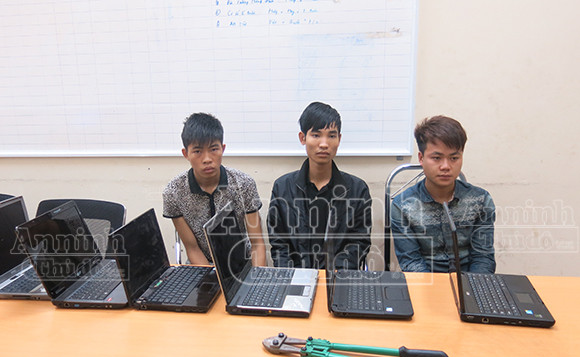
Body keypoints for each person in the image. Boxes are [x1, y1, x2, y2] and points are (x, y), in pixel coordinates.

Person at [267, 102, 372, 269]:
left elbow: (358, 243)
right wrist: (293, 276)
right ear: (303, 138)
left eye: (331, 136)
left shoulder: (357, 189)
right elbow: (280, 244)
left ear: (339, 139)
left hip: (338, 276)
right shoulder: (282, 188)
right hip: (296, 276)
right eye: (316, 135)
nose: (324, 144)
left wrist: (333, 275)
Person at [390, 115, 495, 273]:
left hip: (469, 280)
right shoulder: (403, 205)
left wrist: (471, 286)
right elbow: (411, 262)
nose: (446, 166)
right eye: (437, 158)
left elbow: (483, 257)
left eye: (454, 158)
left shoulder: (481, 200)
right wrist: (435, 288)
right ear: (421, 158)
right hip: (425, 282)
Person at [163, 112, 266, 266]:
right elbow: (192, 249)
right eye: (197, 151)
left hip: (241, 263)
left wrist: (256, 277)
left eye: (213, 149)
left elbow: (257, 244)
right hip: (201, 265)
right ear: (186, 154)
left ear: (222, 149)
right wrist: (213, 277)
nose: (207, 159)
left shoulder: (244, 184)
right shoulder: (173, 193)